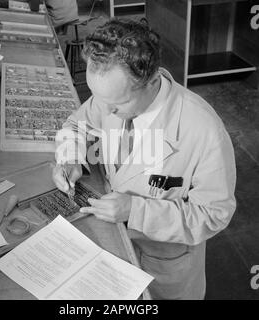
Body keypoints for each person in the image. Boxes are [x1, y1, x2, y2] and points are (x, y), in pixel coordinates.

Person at [53, 18, 236, 300]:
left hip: (164, 264)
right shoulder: (110, 94)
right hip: (115, 244)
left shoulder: (203, 131)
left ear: (151, 82)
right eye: (99, 98)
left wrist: (136, 211)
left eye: (118, 104)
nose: (107, 110)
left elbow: (214, 215)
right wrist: (69, 158)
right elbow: (76, 126)